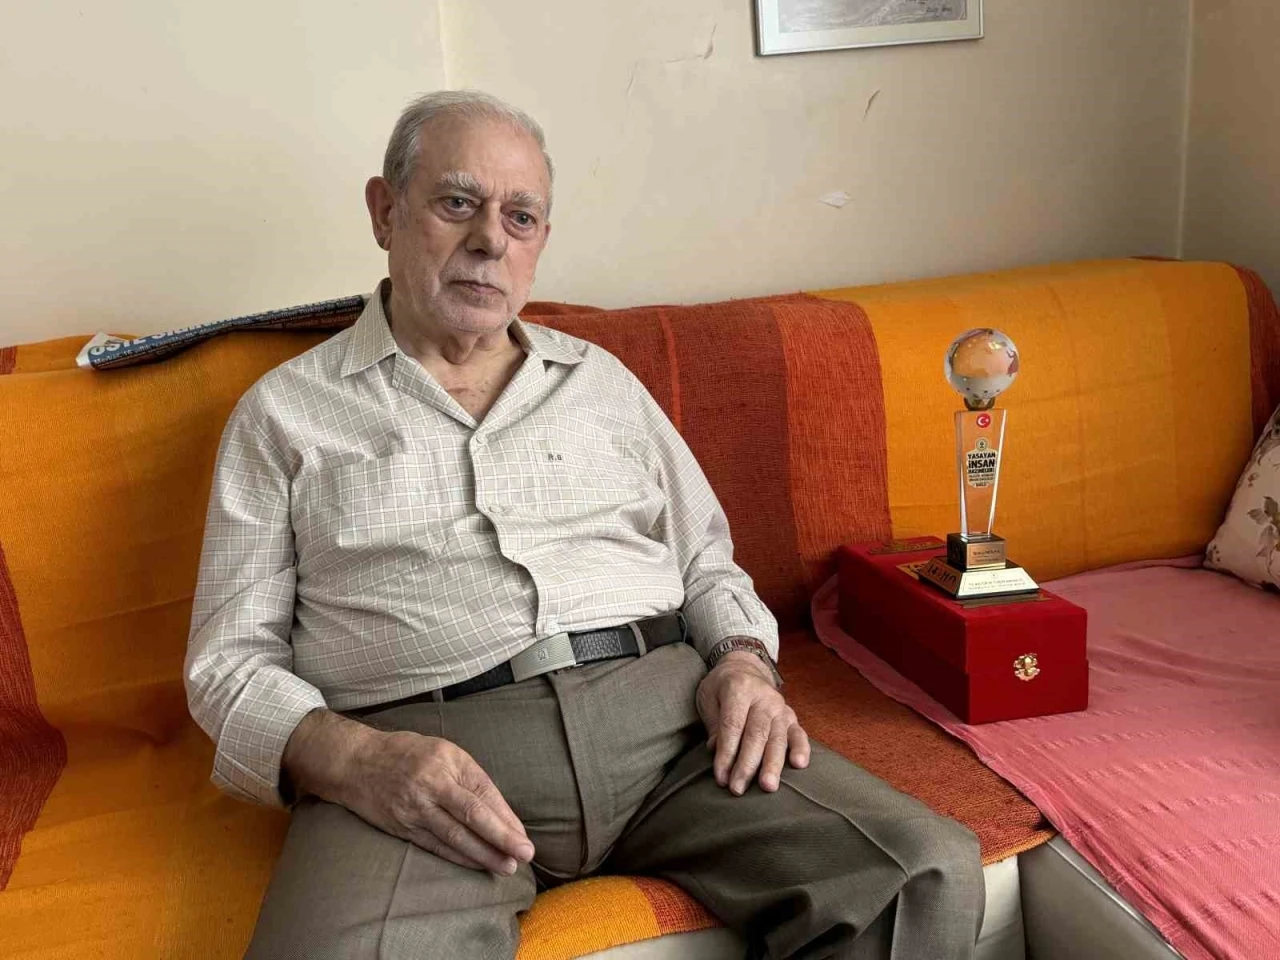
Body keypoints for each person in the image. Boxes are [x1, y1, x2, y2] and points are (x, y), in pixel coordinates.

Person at [186, 90, 984, 960]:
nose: (490, 240)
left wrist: (744, 663)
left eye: (520, 217)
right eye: (457, 203)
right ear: (386, 211)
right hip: (427, 759)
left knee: (918, 871)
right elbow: (230, 662)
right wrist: (354, 760)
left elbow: (707, 563)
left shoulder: (601, 383)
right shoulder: (286, 414)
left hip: (673, 733)